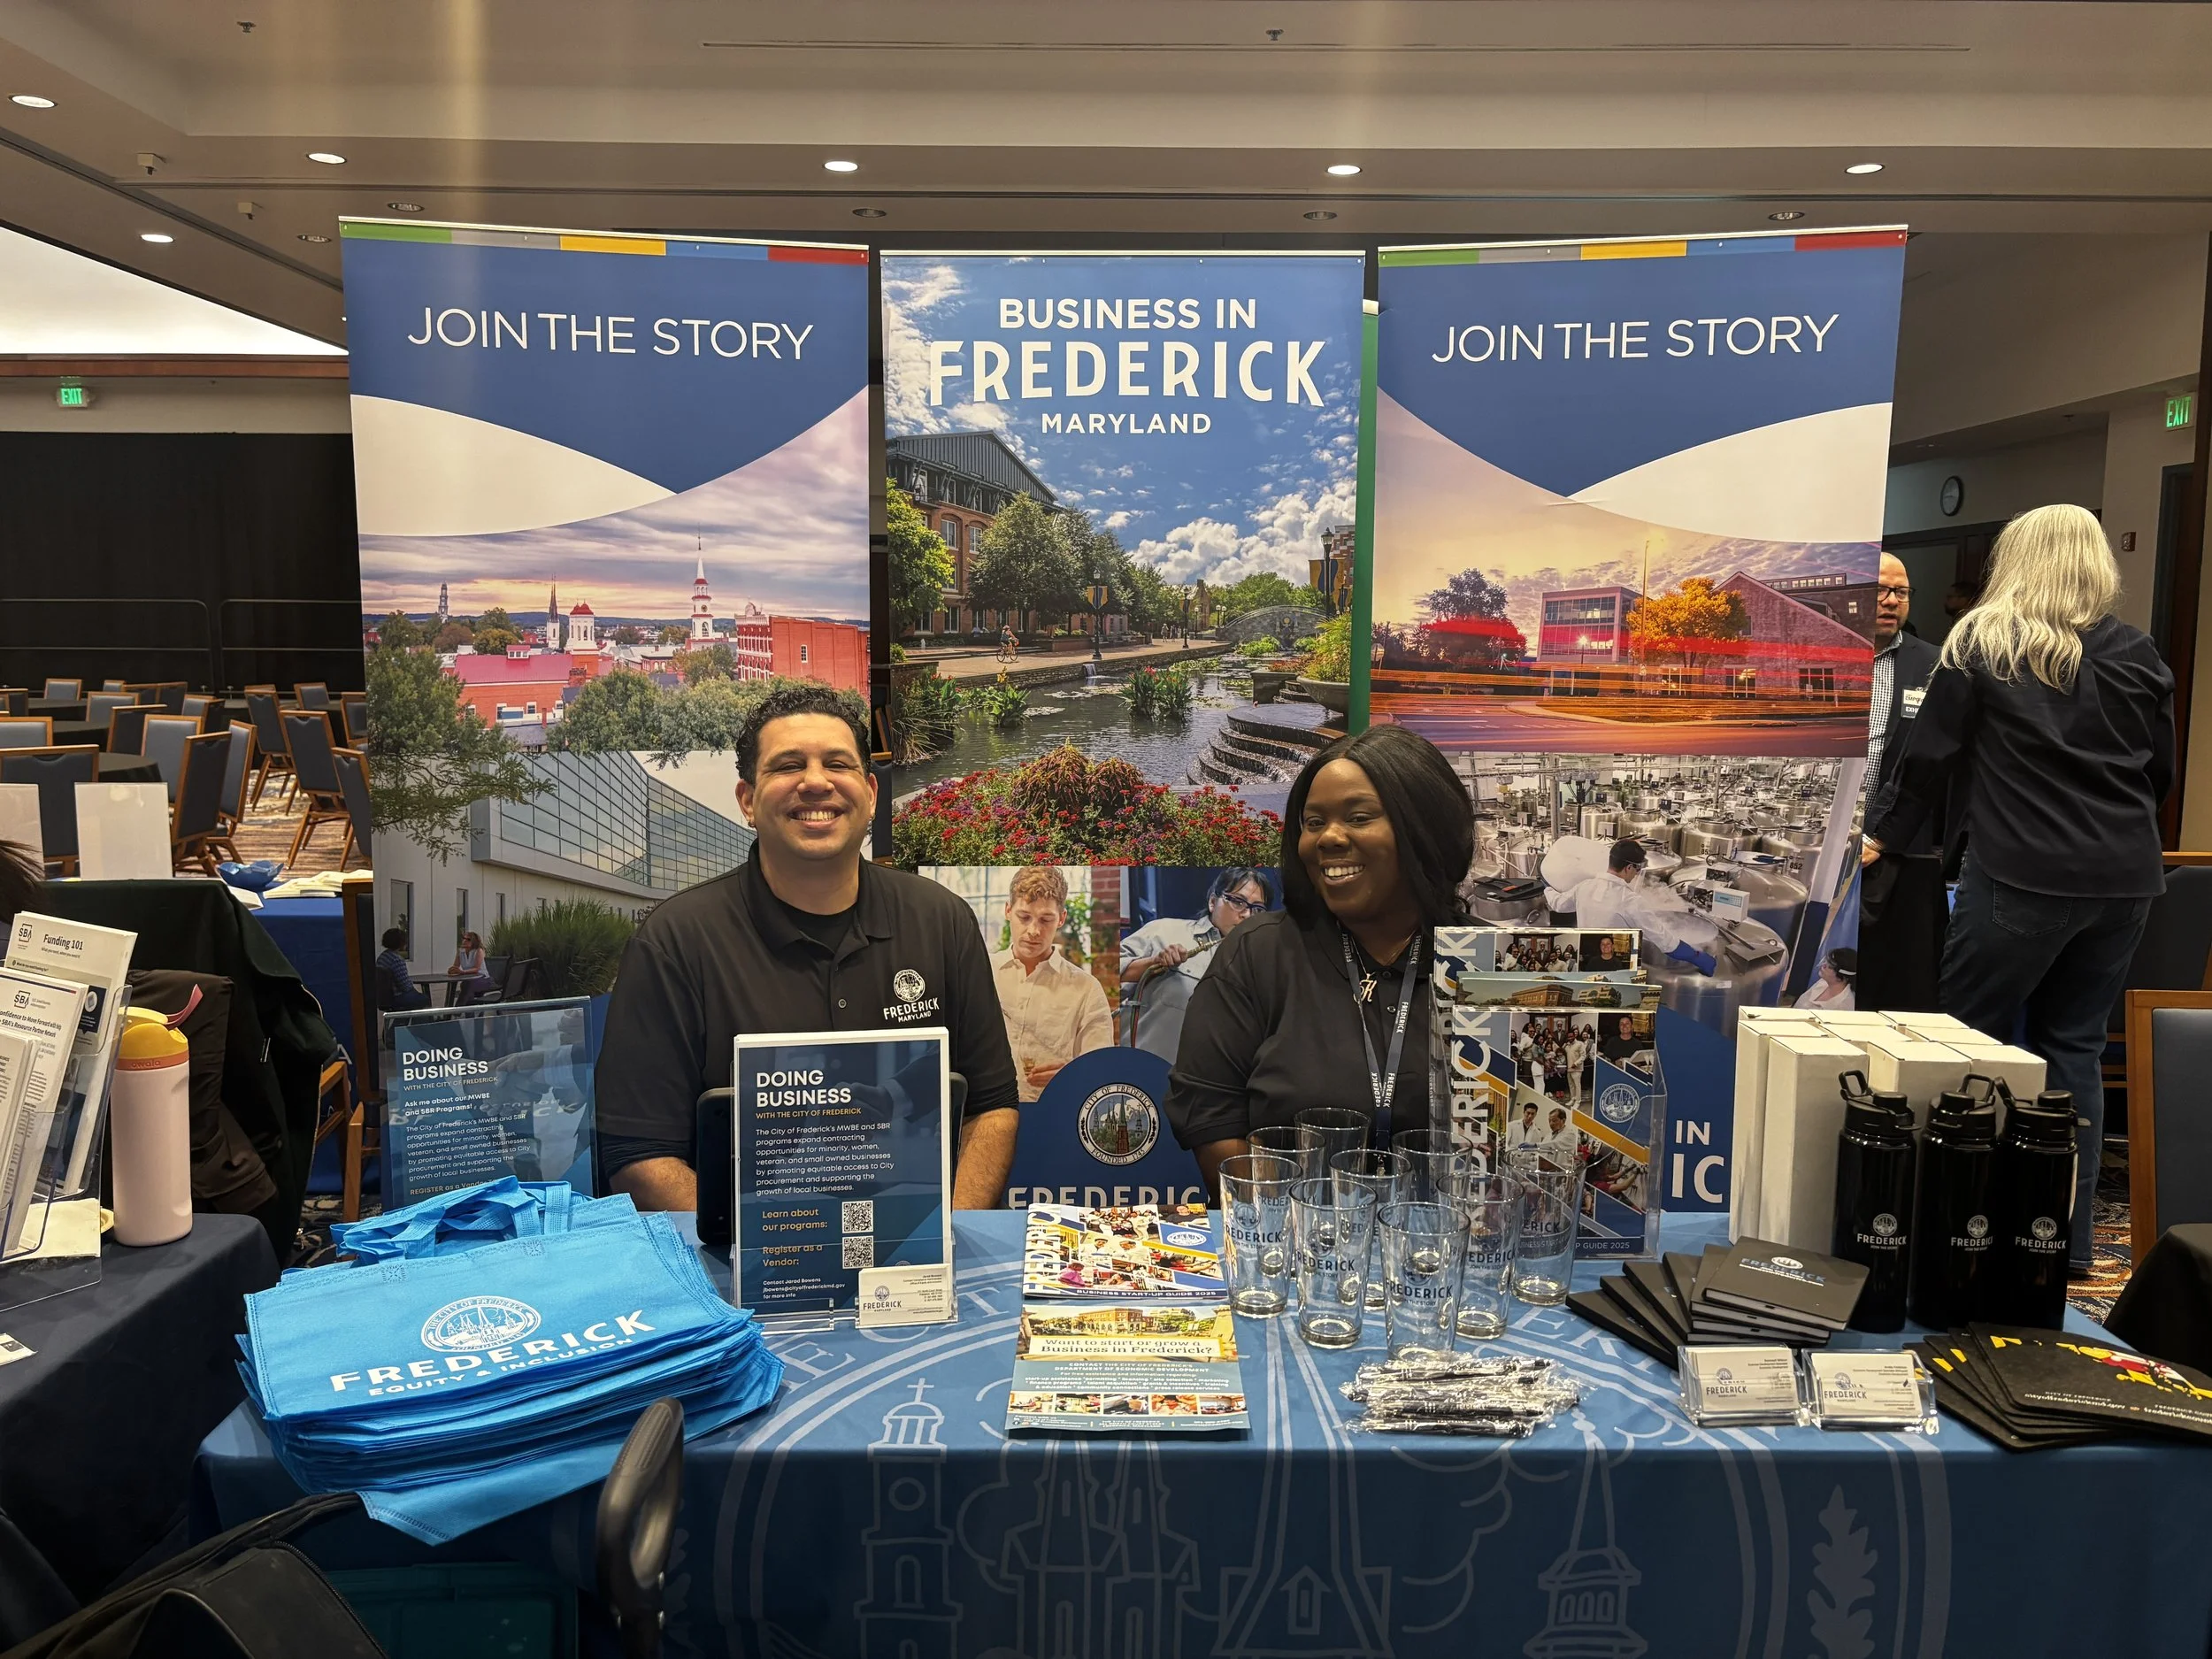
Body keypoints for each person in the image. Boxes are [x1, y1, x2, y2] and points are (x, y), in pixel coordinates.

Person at [1865, 504, 2174, 1272]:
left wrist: (1882, 837)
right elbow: (2159, 772)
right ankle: (2061, 1241)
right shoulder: (2140, 651)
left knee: (1963, 1041)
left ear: (2016, 560)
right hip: (2126, 881)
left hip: (2022, 873)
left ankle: (1946, 1225)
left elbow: (1928, 759)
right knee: (2074, 1047)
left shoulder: (1982, 642)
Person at [594, 684, 1021, 1211]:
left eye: (837, 764)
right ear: (747, 800)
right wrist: (770, 1242)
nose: (816, 782)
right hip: (743, 1257)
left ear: (870, 793)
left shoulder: (942, 921)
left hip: (918, 1245)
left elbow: (991, 1106)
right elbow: (639, 1155)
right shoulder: (674, 942)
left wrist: (945, 1234)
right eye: (788, 765)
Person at [1166, 725, 1475, 1194]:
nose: (1328, 838)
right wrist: (1298, 1222)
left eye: (1359, 817)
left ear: (1424, 826)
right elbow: (1211, 1119)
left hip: (1457, 1236)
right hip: (1297, 1233)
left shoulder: (1491, 964)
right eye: (1313, 823)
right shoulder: (1258, 954)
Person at [1856, 552, 1945, 1011]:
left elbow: (1940, 760)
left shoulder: (1936, 665)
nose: (1892, 601)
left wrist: (1882, 835)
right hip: (1821, 848)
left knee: (1888, 986)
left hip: (1896, 850)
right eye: (1880, 591)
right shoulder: (1823, 656)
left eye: (1901, 592)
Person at [1119, 867, 1273, 1063]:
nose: (1247, 915)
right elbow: (1106, 979)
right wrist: (1154, 962)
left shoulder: (1262, 965)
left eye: (1257, 909)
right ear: (1212, 902)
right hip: (1145, 1070)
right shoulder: (1164, 932)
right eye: (1238, 902)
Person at [991, 865, 1113, 1102]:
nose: (1034, 931)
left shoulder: (1086, 989)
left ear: (1061, 918)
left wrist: (1073, 1074)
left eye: (1046, 919)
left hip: (1053, 1110)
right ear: (1008, 911)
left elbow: (1101, 1070)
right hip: (983, 1111)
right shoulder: (982, 971)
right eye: (1024, 917)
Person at [1569, 841, 1718, 976]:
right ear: (1629, 867)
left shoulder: (1584, 887)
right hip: (1618, 972)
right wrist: (1697, 957)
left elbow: (1559, 904)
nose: (1637, 874)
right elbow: (1666, 942)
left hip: (1586, 967)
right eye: (1638, 868)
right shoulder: (1630, 901)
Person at [376, 927, 432, 1010]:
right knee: (424, 999)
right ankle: (425, 1018)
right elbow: (405, 986)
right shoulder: (397, 959)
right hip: (398, 997)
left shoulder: (382, 957)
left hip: (384, 999)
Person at [1793, 947, 1858, 1010]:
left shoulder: (1844, 1007)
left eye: (1830, 966)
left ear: (1842, 977)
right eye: (1826, 961)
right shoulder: (1823, 982)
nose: (1823, 965)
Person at [449, 929, 496, 1004]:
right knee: (467, 987)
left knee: (467, 986)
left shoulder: (478, 951)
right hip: (469, 980)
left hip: (483, 979)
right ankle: (466, 1009)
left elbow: (476, 969)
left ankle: (458, 1009)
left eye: (468, 939)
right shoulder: (460, 952)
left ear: (474, 942)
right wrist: (453, 970)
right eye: (463, 938)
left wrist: (462, 972)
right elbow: (456, 966)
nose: (464, 941)